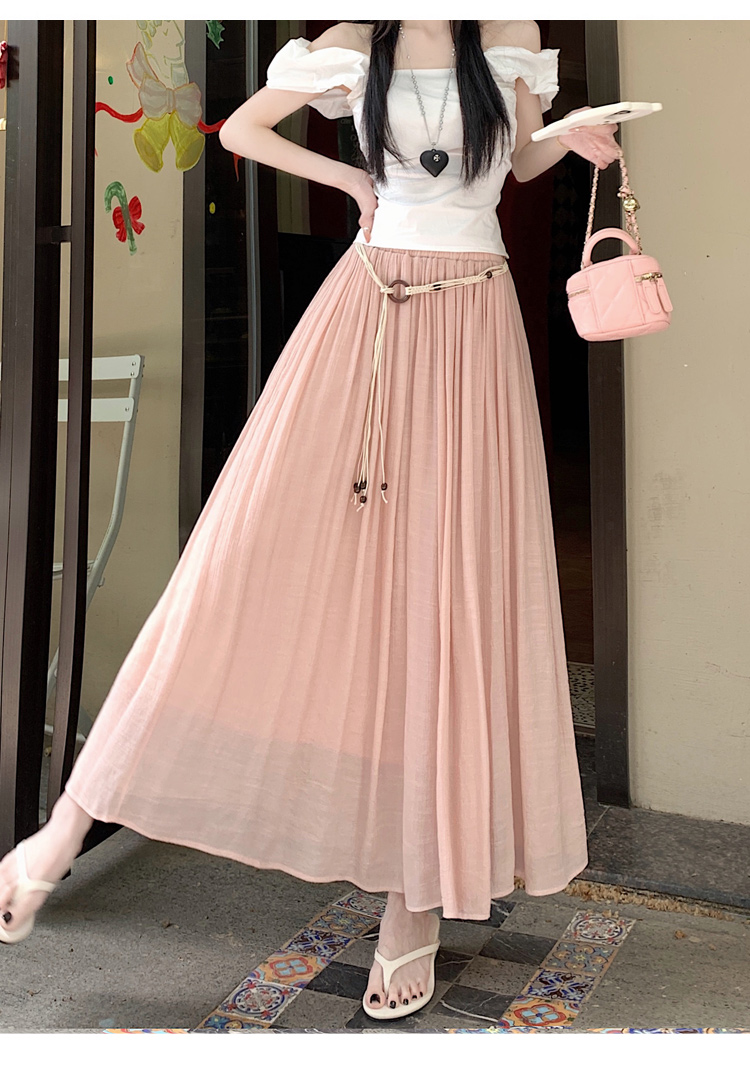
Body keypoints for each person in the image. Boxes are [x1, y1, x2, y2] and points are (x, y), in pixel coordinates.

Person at [0, 20, 619, 1022]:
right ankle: (64, 827)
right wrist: (349, 182)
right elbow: (246, 129)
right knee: (240, 557)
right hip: (366, 317)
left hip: (474, 321)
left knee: (450, 587)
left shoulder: (508, 32)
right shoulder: (351, 42)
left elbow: (515, 161)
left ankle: (415, 898)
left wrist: (570, 134)